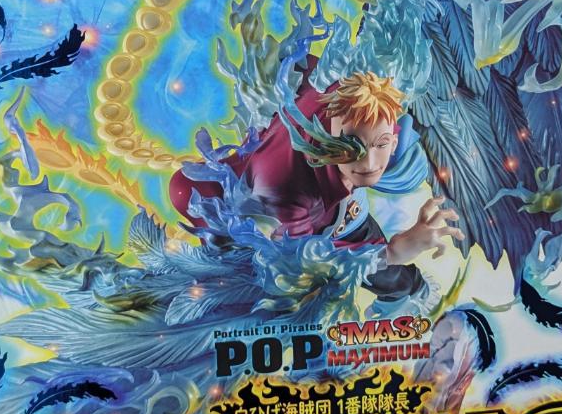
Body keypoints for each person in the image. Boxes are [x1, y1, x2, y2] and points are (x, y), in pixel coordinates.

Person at [169, 70, 463, 306]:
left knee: (390, 273)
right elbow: (305, 261)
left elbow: (306, 68)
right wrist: (392, 252)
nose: (370, 163)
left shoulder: (349, 93)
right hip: (291, 228)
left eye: (382, 145)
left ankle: (409, 287)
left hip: (341, 207)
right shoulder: (283, 187)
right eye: (353, 146)